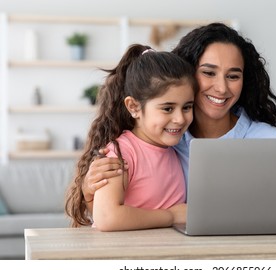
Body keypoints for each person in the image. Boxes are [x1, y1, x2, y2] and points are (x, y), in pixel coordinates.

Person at [80, 22, 276, 218]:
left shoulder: (274, 143)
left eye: (233, 76)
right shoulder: (164, 139)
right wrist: (89, 192)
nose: (221, 88)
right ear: (188, 76)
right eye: (209, 73)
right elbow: (109, 216)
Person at [65, 44, 198, 231]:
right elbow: (107, 217)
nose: (180, 119)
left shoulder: (173, 149)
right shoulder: (123, 153)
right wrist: (172, 215)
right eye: (167, 108)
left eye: (187, 107)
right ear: (134, 107)